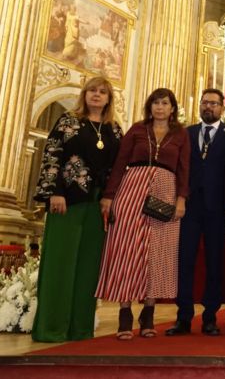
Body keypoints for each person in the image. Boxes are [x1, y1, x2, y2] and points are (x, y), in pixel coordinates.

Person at [32, 76, 123, 342]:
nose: (97, 95)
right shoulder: (68, 121)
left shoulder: (115, 129)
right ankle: (52, 328)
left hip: (98, 206)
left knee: (87, 268)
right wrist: (56, 192)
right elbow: (52, 155)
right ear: (84, 95)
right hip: (67, 202)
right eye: (92, 91)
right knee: (61, 264)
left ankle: (80, 329)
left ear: (108, 98)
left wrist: (112, 197)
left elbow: (119, 168)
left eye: (102, 92)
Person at [95, 88, 190, 340]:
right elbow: (119, 163)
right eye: (155, 103)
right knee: (127, 248)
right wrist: (109, 195)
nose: (160, 107)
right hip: (131, 190)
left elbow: (184, 169)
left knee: (159, 251)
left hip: (165, 193)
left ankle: (148, 314)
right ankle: (124, 315)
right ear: (150, 107)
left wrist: (181, 199)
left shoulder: (181, 134)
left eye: (165, 103)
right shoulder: (137, 129)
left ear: (172, 108)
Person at [165, 89, 225, 337]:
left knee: (214, 263)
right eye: (205, 103)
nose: (209, 107)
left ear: (222, 108)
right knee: (185, 261)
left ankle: (210, 317)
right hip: (188, 208)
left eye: (214, 104)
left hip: (217, 209)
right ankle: (183, 317)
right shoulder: (186, 133)